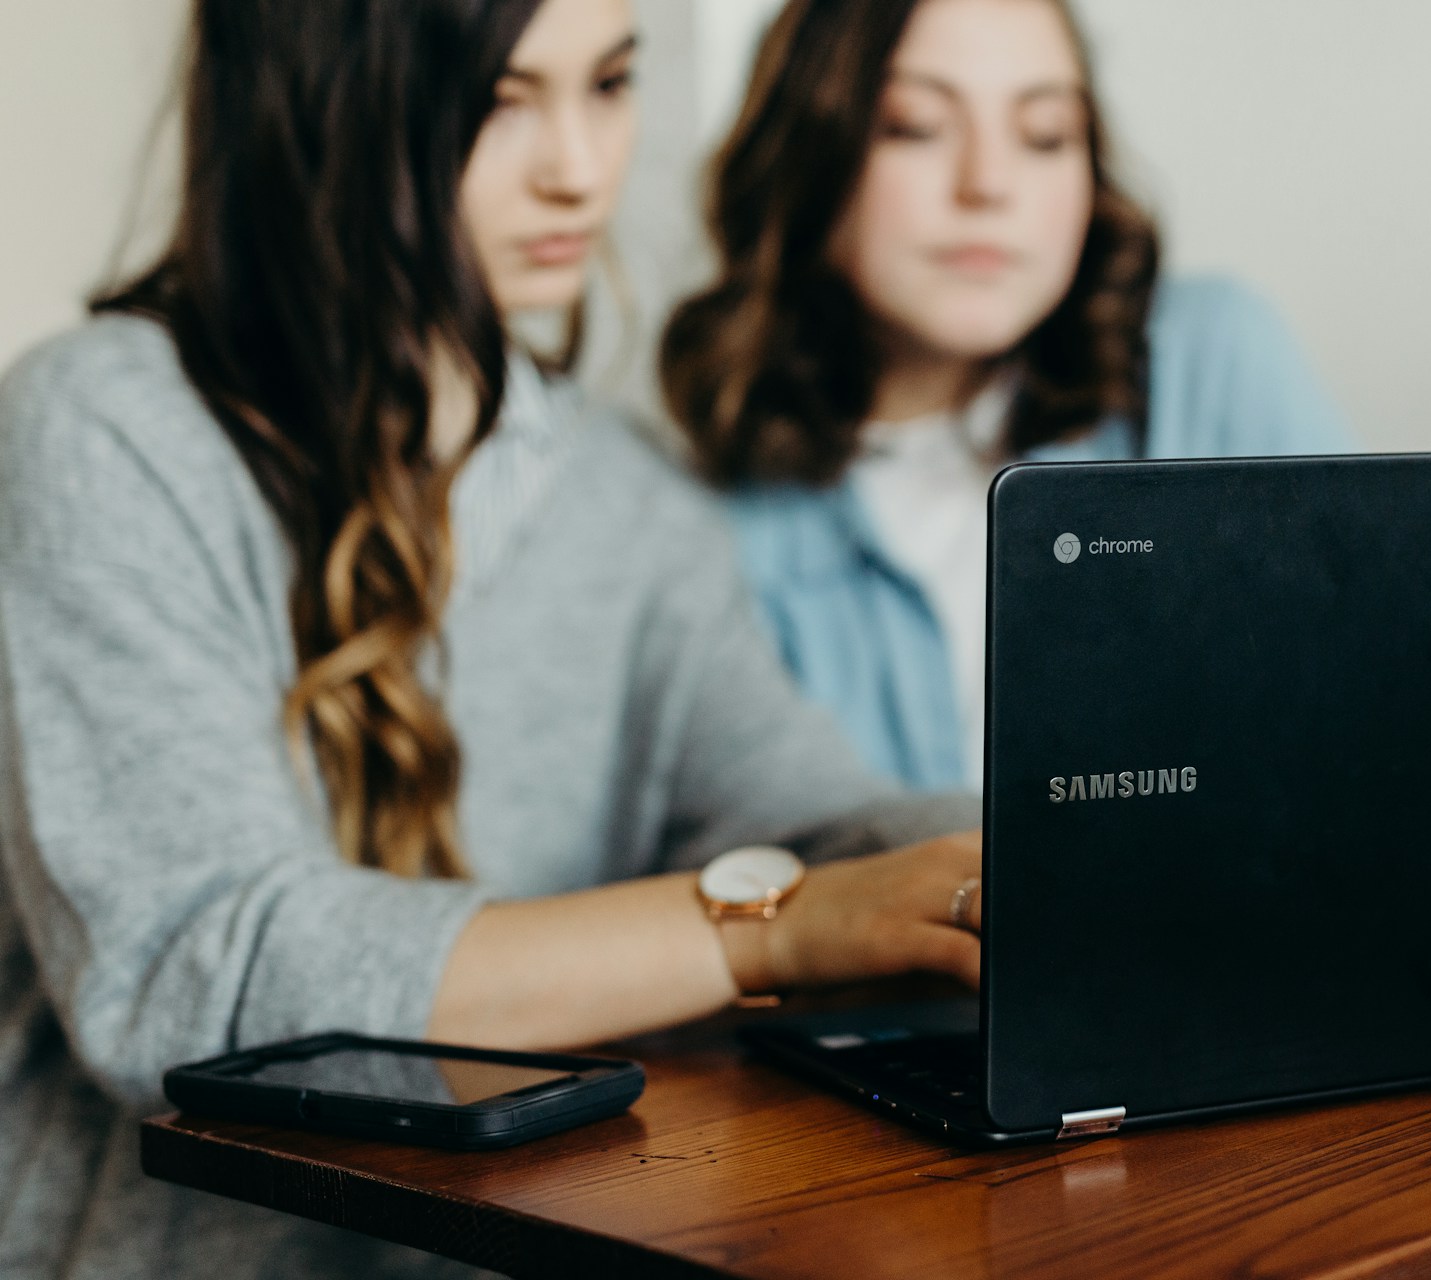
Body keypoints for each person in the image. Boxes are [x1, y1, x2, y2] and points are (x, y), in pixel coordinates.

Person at [0, 2, 985, 1276]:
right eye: (505, 99)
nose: (578, 164)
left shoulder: (633, 501)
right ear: (325, 107)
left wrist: (1020, 858)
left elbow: (813, 820)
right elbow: (198, 970)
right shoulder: (104, 431)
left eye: (611, 83)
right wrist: (770, 929)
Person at [661, 0, 1354, 793]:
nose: (988, 185)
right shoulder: (699, 521)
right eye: (914, 126)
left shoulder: (1211, 361)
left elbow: (1374, 720)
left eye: (1045, 135)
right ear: (804, 152)